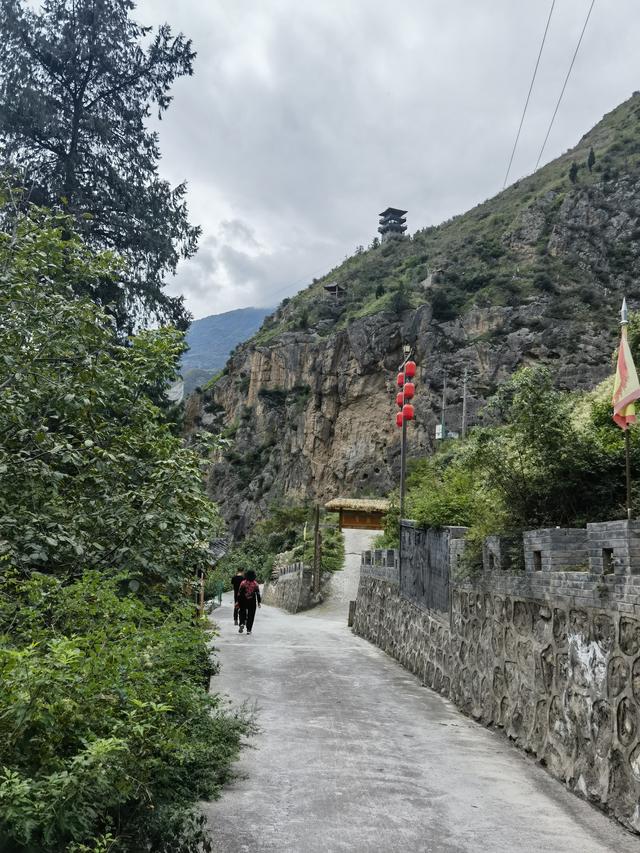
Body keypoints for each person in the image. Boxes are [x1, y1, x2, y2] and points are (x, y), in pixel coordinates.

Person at [238, 570, 261, 635]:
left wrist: (238, 601)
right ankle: (249, 629)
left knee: (242, 611)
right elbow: (258, 594)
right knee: (251, 615)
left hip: (243, 600)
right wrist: (259, 602)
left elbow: (239, 593)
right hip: (252, 601)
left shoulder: (243, 583)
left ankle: (242, 623)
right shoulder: (255, 584)